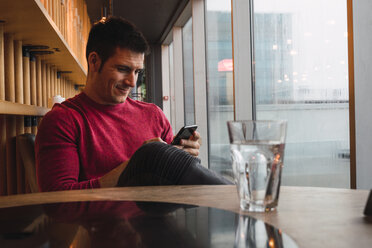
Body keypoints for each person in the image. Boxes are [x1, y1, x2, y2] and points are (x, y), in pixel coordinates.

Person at [35, 16, 231, 192]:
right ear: (94, 62)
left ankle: (236, 196)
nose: (132, 82)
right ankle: (236, 196)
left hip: (161, 221)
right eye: (123, 69)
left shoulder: (153, 114)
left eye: (137, 72)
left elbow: (176, 180)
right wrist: (140, 162)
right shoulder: (62, 120)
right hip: (100, 228)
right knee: (152, 153)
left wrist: (187, 154)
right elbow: (58, 201)